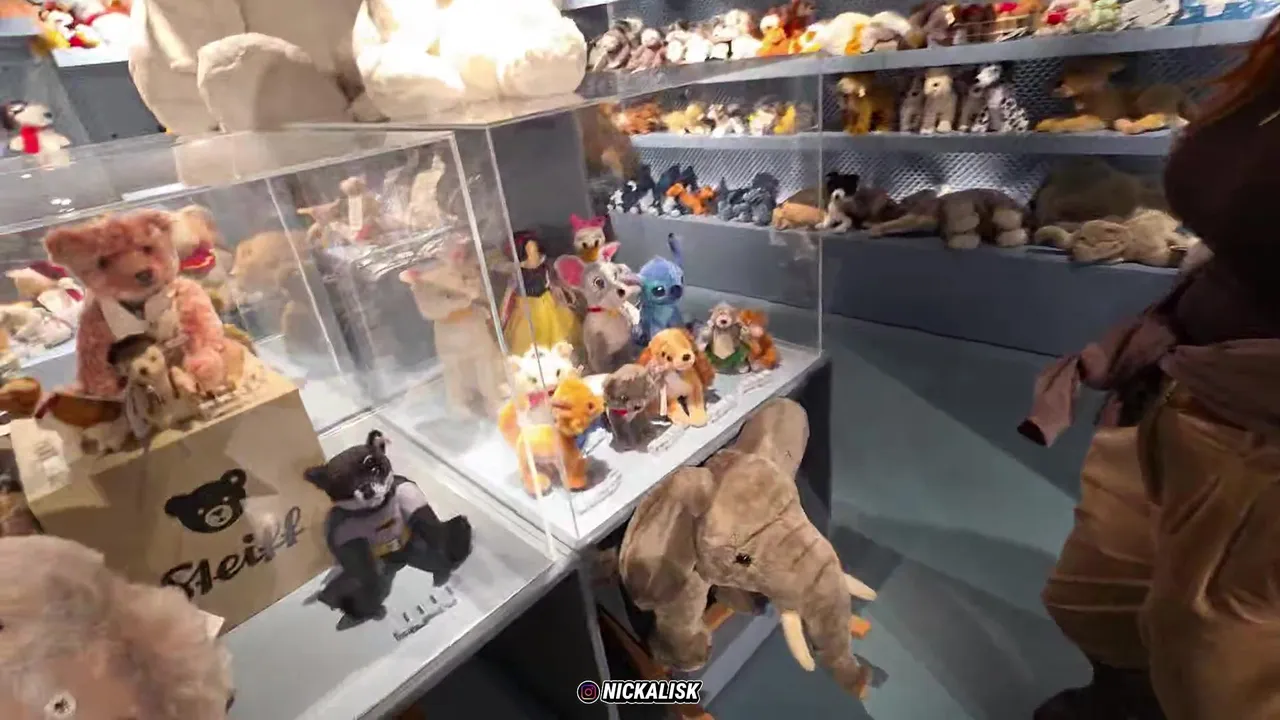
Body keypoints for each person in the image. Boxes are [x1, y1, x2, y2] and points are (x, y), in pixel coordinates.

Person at [1022, 15, 1280, 720]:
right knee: (1098, 589)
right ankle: (1125, 695)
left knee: (1221, 660)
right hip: (1177, 375)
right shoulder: (1267, 67)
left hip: (1257, 426)